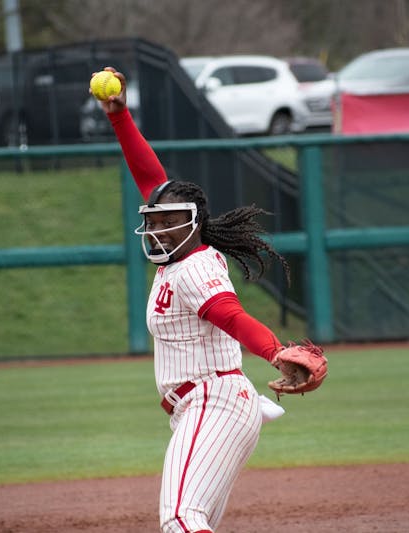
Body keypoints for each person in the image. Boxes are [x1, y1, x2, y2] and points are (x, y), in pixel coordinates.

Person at [91, 67, 324, 532]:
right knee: (191, 522)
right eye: (153, 220)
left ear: (191, 223)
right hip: (203, 407)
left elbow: (231, 317)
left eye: (166, 221)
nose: (156, 227)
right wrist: (119, 118)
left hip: (212, 403)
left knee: (180, 519)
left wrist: (275, 351)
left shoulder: (195, 266)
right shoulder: (180, 259)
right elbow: (149, 177)